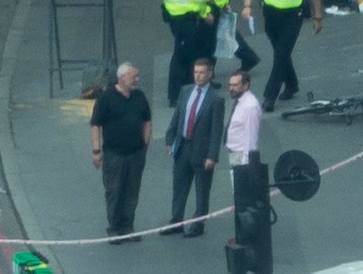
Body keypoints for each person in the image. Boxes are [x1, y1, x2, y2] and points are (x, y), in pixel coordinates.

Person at [90, 62, 151, 243]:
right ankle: (114, 229)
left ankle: (128, 227)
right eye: (134, 77)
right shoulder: (107, 98)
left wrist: (143, 147)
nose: (137, 80)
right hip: (114, 155)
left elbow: (147, 122)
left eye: (137, 76)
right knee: (115, 191)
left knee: (132, 192)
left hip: (135, 154)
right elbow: (95, 125)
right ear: (122, 78)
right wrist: (96, 150)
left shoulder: (140, 97)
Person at [163, 58, 224, 237]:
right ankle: (176, 221)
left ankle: (198, 225)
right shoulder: (185, 91)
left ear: (210, 74)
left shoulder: (216, 99)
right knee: (179, 187)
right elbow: (178, 117)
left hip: (202, 152)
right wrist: (169, 138)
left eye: (202, 72)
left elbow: (216, 131)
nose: (197, 76)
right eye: (196, 72)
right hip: (182, 147)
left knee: (202, 190)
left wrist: (212, 156)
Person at [160, 0, 214, 106]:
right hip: (181, 19)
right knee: (181, 57)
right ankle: (175, 96)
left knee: (188, 54)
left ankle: (186, 91)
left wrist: (204, 11)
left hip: (187, 18)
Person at [225, 71, 261, 170]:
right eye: (230, 85)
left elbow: (251, 137)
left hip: (242, 156)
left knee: (240, 185)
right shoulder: (240, 101)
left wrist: (246, 163)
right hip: (235, 154)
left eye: (235, 85)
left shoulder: (250, 106)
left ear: (246, 85)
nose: (231, 88)